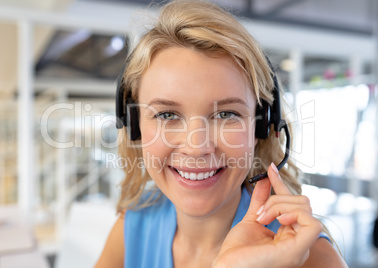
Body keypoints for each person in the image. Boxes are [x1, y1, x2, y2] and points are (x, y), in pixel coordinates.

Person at [95, 0, 347, 267]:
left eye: (226, 114)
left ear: (261, 127)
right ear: (134, 126)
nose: (196, 147)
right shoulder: (133, 227)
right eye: (167, 115)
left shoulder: (310, 259)